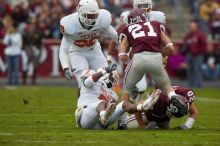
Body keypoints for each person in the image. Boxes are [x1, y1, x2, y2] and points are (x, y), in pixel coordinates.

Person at [75, 64, 160, 129]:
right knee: (102, 103)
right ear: (106, 75)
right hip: (85, 117)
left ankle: (142, 106)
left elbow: (119, 111)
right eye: (112, 78)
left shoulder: (113, 94)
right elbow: (87, 82)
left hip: (102, 124)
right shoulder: (94, 81)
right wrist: (104, 71)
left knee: (123, 104)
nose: (114, 80)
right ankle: (103, 116)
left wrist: (132, 98)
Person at [59, 0, 118, 90]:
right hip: (77, 52)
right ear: (80, 13)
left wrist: (129, 47)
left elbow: (115, 37)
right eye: (89, 16)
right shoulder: (70, 24)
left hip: (95, 51)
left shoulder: (102, 19)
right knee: (83, 84)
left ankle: (106, 103)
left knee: (107, 79)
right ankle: (82, 104)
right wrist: (66, 68)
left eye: (94, 15)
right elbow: (63, 50)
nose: (92, 19)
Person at [127, 86, 198, 130]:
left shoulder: (185, 95)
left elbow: (194, 112)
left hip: (164, 120)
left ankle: (155, 126)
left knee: (164, 127)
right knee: (128, 126)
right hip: (146, 116)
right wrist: (143, 128)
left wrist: (188, 125)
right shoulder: (159, 98)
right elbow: (137, 109)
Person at [182, 20, 207, 87]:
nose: (191, 28)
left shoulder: (200, 35)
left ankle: (199, 84)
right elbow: (184, 42)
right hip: (189, 54)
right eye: (191, 27)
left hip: (198, 55)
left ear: (196, 27)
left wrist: (198, 51)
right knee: (190, 70)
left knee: (197, 69)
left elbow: (203, 45)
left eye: (193, 26)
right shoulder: (188, 35)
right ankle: (190, 84)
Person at [2, 15, 22, 85]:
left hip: (16, 53)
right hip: (9, 53)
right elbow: (5, 42)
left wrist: (11, 35)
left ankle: (16, 82)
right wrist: (8, 34)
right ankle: (9, 81)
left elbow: (15, 42)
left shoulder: (17, 34)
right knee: (9, 69)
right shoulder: (8, 34)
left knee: (16, 69)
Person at [22, 18, 43, 85]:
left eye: (33, 24)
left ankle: (33, 81)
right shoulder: (26, 32)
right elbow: (24, 43)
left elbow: (40, 43)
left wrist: (38, 49)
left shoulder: (38, 33)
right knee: (25, 64)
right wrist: (24, 49)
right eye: (31, 24)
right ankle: (24, 81)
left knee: (35, 65)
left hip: (35, 48)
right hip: (27, 48)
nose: (32, 26)